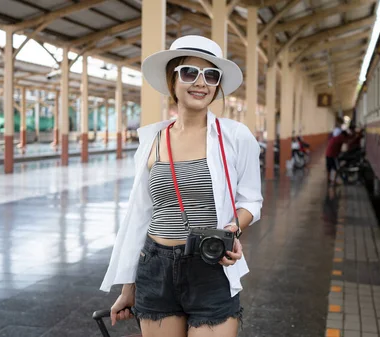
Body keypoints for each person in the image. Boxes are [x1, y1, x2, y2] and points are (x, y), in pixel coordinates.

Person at [99, 35, 263, 337]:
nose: (201, 83)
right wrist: (128, 287)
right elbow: (140, 217)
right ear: (172, 79)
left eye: (211, 75)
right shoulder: (153, 140)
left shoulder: (236, 137)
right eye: (190, 72)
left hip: (211, 267)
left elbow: (252, 201)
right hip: (155, 267)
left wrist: (232, 229)